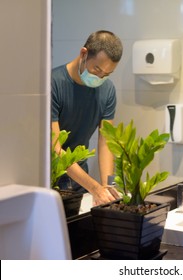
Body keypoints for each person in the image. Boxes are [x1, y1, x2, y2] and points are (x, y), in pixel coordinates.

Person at [51, 30, 123, 205]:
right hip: (50, 178)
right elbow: (55, 149)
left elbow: (106, 141)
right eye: (97, 69)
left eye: (106, 74)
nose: (99, 77)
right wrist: (95, 188)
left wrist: (108, 186)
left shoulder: (107, 90)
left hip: (79, 179)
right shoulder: (52, 84)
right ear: (84, 53)